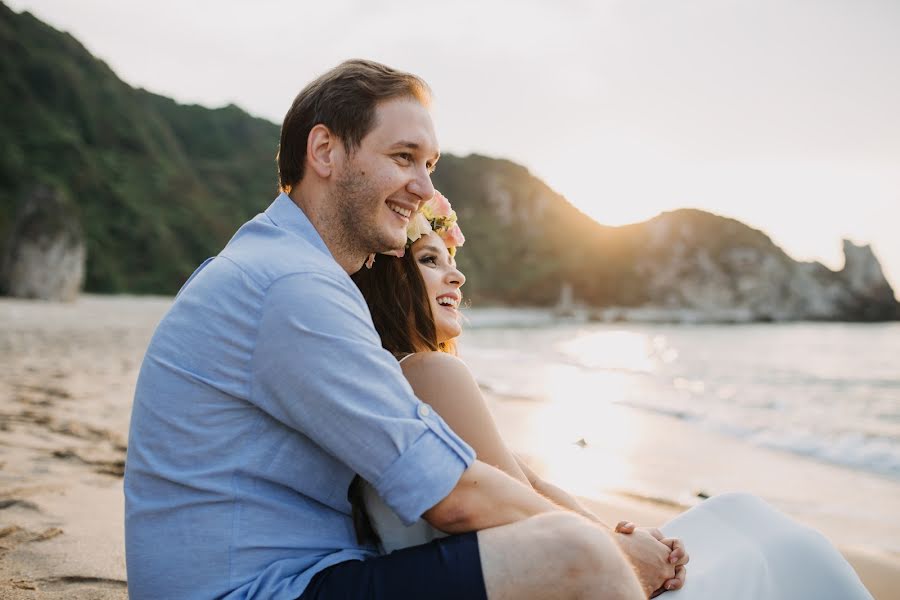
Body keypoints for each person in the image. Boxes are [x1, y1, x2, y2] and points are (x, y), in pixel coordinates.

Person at [124, 59, 682, 600]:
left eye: (429, 165)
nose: (422, 186)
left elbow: (480, 470)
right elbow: (452, 494)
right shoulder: (291, 284)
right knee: (571, 554)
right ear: (324, 151)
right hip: (260, 589)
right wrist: (607, 549)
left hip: (287, 576)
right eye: (403, 157)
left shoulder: (280, 263)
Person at [349, 193, 875, 600]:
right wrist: (618, 551)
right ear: (391, 278)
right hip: (544, 581)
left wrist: (617, 534)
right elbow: (519, 498)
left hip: (527, 573)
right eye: (429, 260)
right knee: (789, 550)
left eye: (449, 258)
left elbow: (526, 483)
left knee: (739, 513)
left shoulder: (394, 376)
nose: (456, 273)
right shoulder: (431, 371)